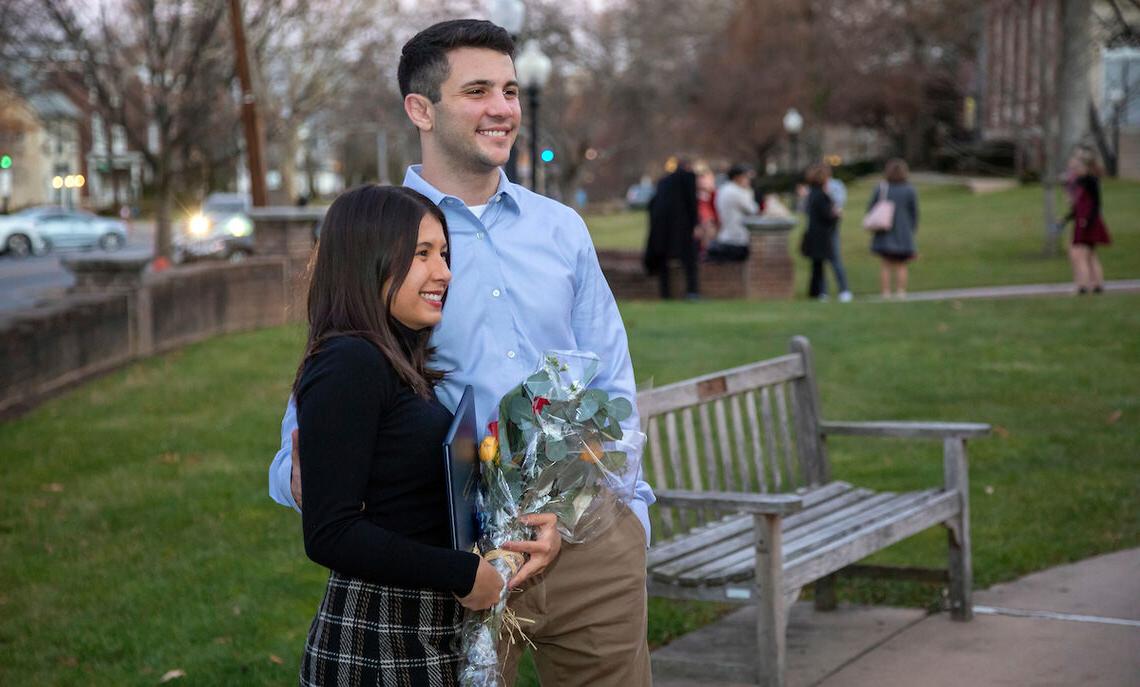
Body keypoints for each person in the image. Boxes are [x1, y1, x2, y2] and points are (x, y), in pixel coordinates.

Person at [269, 19, 655, 687]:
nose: (504, 108)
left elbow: (609, 373)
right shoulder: (383, 237)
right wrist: (298, 474)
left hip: (588, 540)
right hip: (452, 555)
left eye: (509, 89)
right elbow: (334, 370)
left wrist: (632, 511)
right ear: (420, 108)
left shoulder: (560, 228)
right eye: (478, 90)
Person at [292, 185, 504, 685]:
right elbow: (331, 533)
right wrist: (461, 574)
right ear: (369, 259)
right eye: (422, 254)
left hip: (422, 627)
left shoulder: (395, 359)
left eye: (445, 254)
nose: (444, 273)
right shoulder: (349, 363)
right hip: (377, 633)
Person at [644, 158, 700, 299]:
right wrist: (695, 224)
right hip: (683, 227)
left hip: (662, 228)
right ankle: (692, 291)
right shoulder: (687, 178)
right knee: (690, 259)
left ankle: (666, 294)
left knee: (664, 262)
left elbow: (652, 204)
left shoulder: (664, 182)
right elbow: (691, 203)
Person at [867, 158, 919, 298]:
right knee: (901, 264)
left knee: (886, 264)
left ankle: (886, 292)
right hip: (903, 231)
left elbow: (871, 208)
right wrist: (912, 229)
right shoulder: (909, 189)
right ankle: (901, 291)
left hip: (885, 231)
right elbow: (914, 212)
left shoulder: (882, 188)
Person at [1061, 148, 1111, 294]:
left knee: (1078, 254)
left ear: (1085, 167)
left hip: (1088, 222)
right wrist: (1065, 219)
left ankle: (1082, 286)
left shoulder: (1089, 181)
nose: (1074, 170)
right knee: (1089, 254)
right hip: (1083, 220)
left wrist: (1087, 222)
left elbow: (1095, 204)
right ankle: (1097, 285)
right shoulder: (1080, 182)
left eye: (1077, 167)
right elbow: (1078, 207)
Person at [800, 164, 838, 300]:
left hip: (813, 233)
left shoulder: (811, 194)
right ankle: (819, 292)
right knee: (819, 267)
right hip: (821, 235)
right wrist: (836, 215)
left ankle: (815, 292)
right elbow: (826, 216)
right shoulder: (821, 195)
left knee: (816, 266)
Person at [708, 164, 759, 262]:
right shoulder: (736, 191)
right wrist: (748, 190)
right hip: (736, 241)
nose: (748, 180)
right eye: (746, 177)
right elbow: (753, 210)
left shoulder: (724, 189)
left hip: (725, 237)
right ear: (737, 177)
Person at [823, 166, 852, 302]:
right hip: (819, 227)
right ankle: (822, 291)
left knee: (835, 258)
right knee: (820, 261)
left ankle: (844, 290)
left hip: (831, 226)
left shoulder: (835, 185)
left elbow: (839, 203)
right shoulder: (815, 187)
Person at [694, 165, 719, 257]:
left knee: (708, 229)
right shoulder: (694, 194)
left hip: (710, 219)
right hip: (700, 219)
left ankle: (706, 251)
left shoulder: (714, 194)